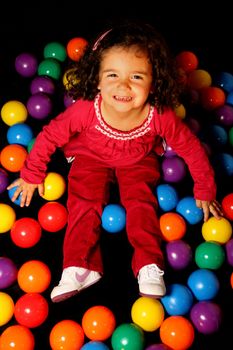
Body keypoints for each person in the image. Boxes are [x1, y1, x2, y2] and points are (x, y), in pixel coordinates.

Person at [7, 20, 223, 303]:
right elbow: (50, 136)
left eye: (136, 77)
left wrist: (205, 190)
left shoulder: (160, 115)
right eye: (112, 75)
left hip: (139, 160)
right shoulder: (85, 110)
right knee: (83, 200)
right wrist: (32, 173)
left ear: (154, 81)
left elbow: (192, 149)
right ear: (96, 78)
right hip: (90, 156)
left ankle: (149, 265)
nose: (123, 85)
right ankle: (80, 266)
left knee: (141, 204)